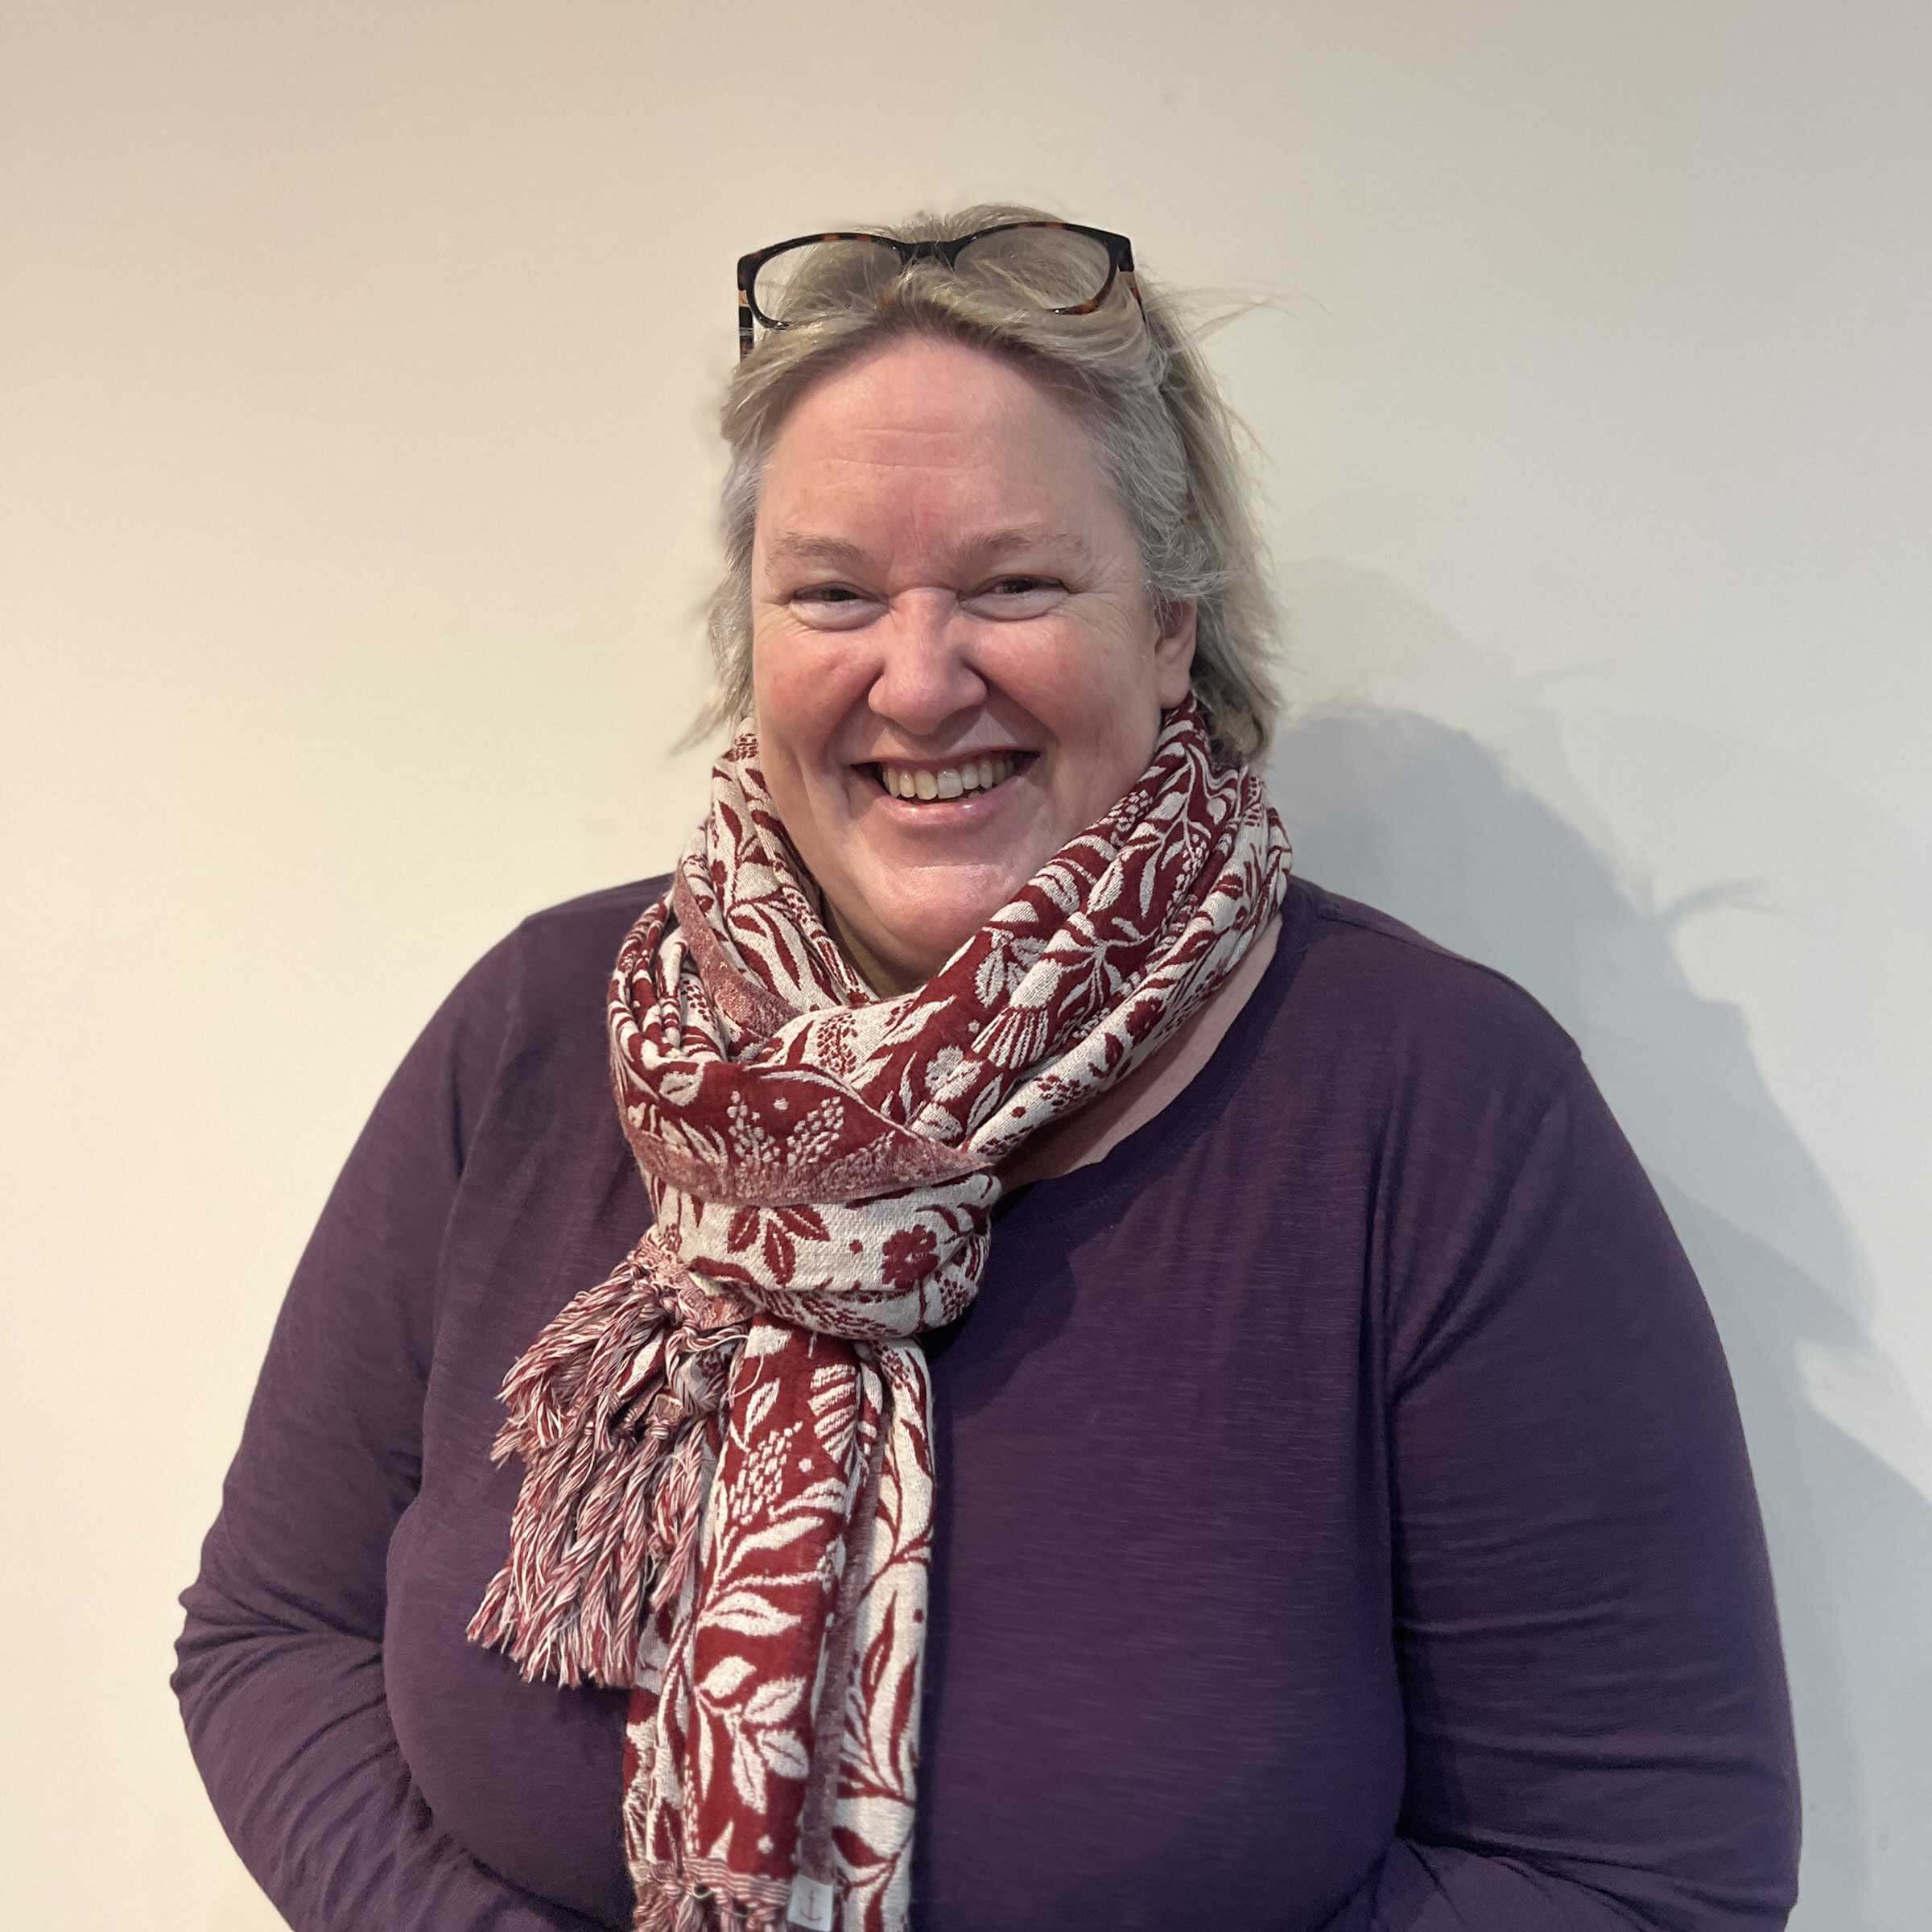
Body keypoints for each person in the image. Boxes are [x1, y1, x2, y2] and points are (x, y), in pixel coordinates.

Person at [173, 205, 1801, 1932]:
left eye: (1015, 585)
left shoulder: (1435, 1108)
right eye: (834, 594)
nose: (919, 678)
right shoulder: (541, 1025)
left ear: (1170, 627)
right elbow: (276, 1637)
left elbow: (1639, 1874)